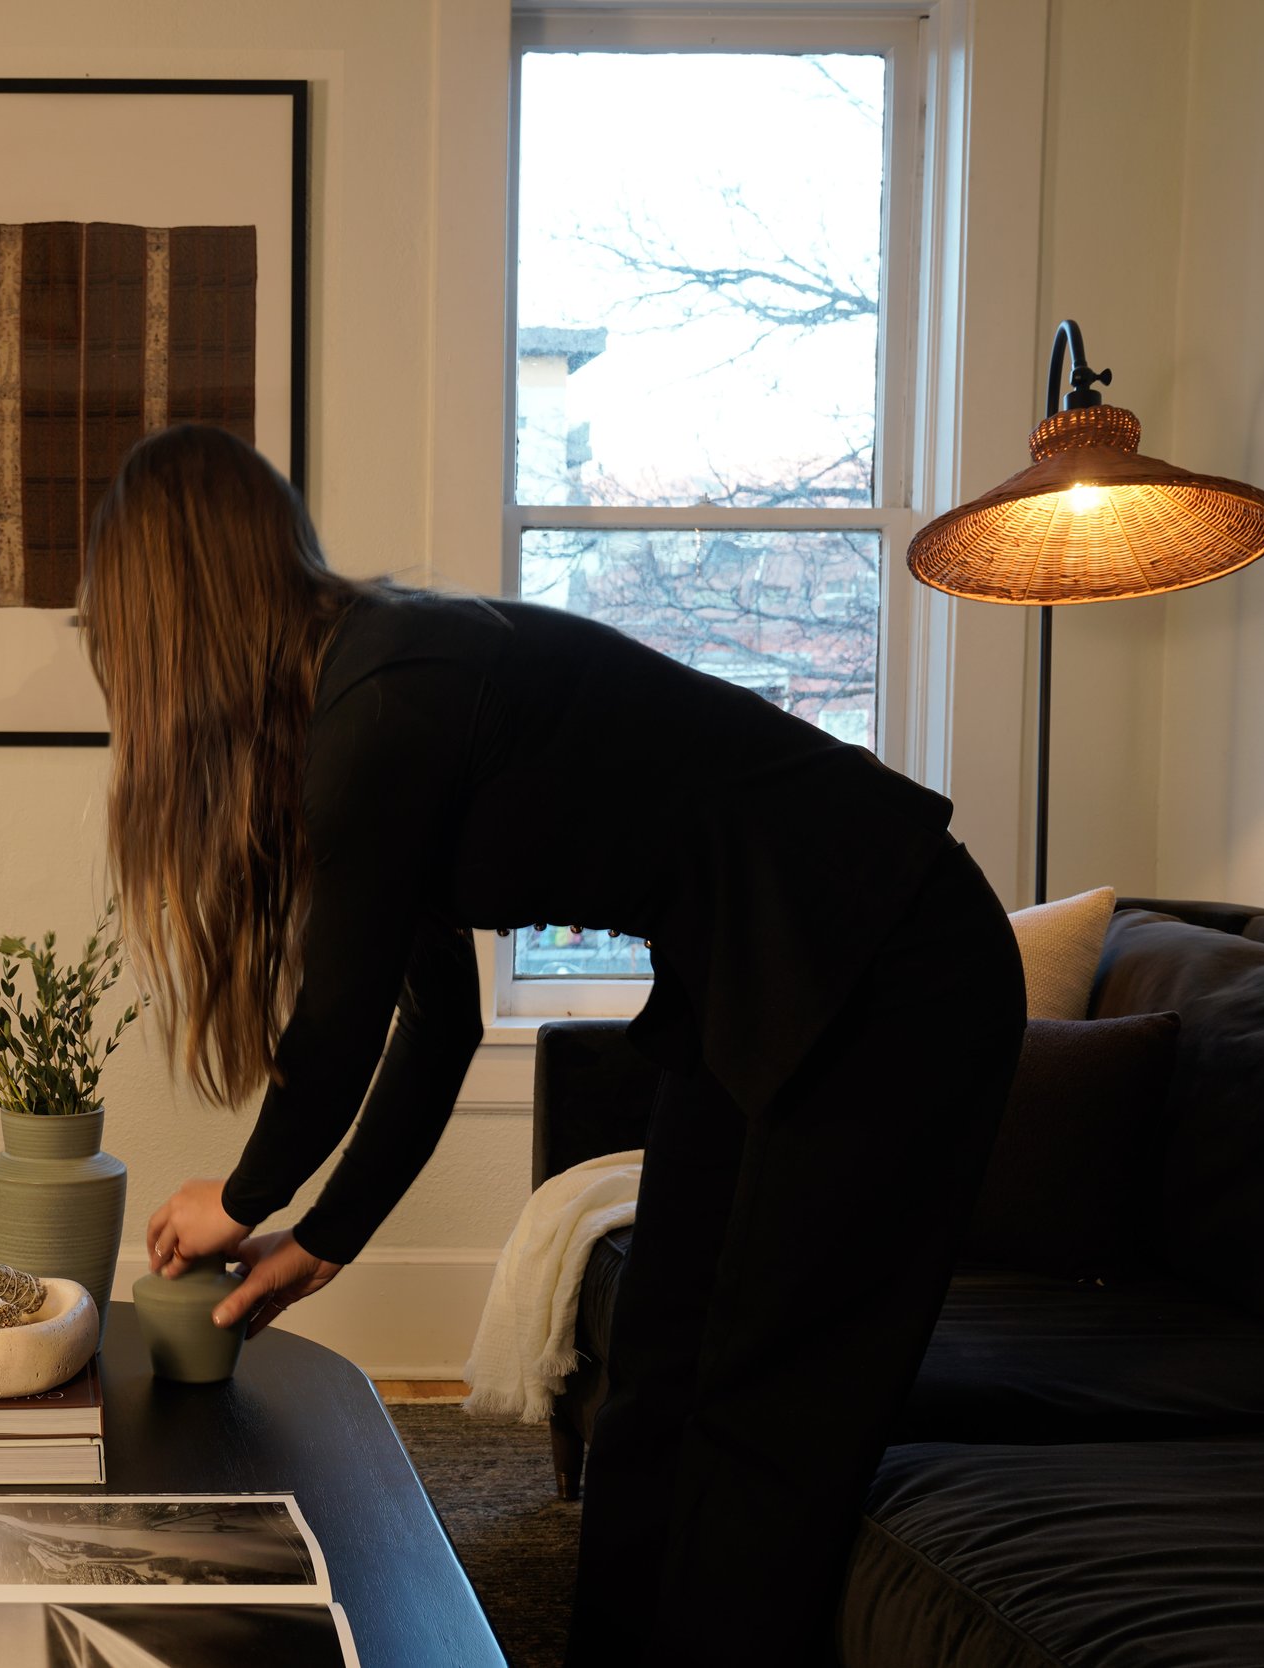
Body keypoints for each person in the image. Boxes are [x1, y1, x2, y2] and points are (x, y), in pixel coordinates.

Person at [83, 424, 1026, 1668]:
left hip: (891, 956)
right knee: (660, 1362)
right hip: (751, 966)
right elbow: (437, 1026)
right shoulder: (363, 699)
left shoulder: (385, 706)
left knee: (770, 1400)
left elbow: (340, 1029)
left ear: (170, 616)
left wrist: (243, 1197)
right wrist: (318, 1239)